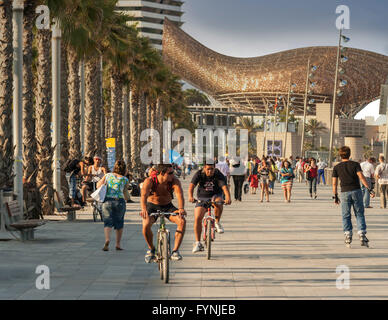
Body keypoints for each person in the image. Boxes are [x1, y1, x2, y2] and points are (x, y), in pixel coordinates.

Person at [140, 164, 186, 262]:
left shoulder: (174, 181)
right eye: (170, 173)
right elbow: (144, 195)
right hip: (152, 206)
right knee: (146, 225)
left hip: (167, 206)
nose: (173, 175)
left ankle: (175, 251)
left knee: (182, 221)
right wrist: (144, 209)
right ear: (162, 173)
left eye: (173, 172)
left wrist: (181, 208)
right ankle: (151, 249)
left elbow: (179, 194)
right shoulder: (150, 181)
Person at [332, 146, 374, 247]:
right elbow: (361, 177)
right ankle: (362, 234)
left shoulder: (337, 167)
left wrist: (335, 196)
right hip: (356, 191)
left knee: (346, 215)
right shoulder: (355, 164)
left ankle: (347, 235)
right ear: (349, 154)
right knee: (359, 213)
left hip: (344, 192)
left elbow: (334, 183)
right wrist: (369, 189)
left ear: (340, 155)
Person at [188, 160, 231, 253]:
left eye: (212, 169)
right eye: (208, 169)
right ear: (204, 168)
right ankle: (198, 243)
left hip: (215, 195)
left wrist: (228, 197)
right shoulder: (199, 174)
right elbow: (191, 186)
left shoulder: (218, 174)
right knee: (198, 218)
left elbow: (224, 188)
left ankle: (217, 222)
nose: (210, 171)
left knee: (219, 202)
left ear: (215, 168)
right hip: (202, 197)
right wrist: (190, 196)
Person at [97, 160, 130, 252]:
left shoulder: (108, 175)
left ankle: (107, 239)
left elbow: (98, 185)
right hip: (119, 201)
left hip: (108, 200)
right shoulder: (125, 179)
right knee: (119, 223)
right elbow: (125, 191)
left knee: (107, 222)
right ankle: (118, 244)